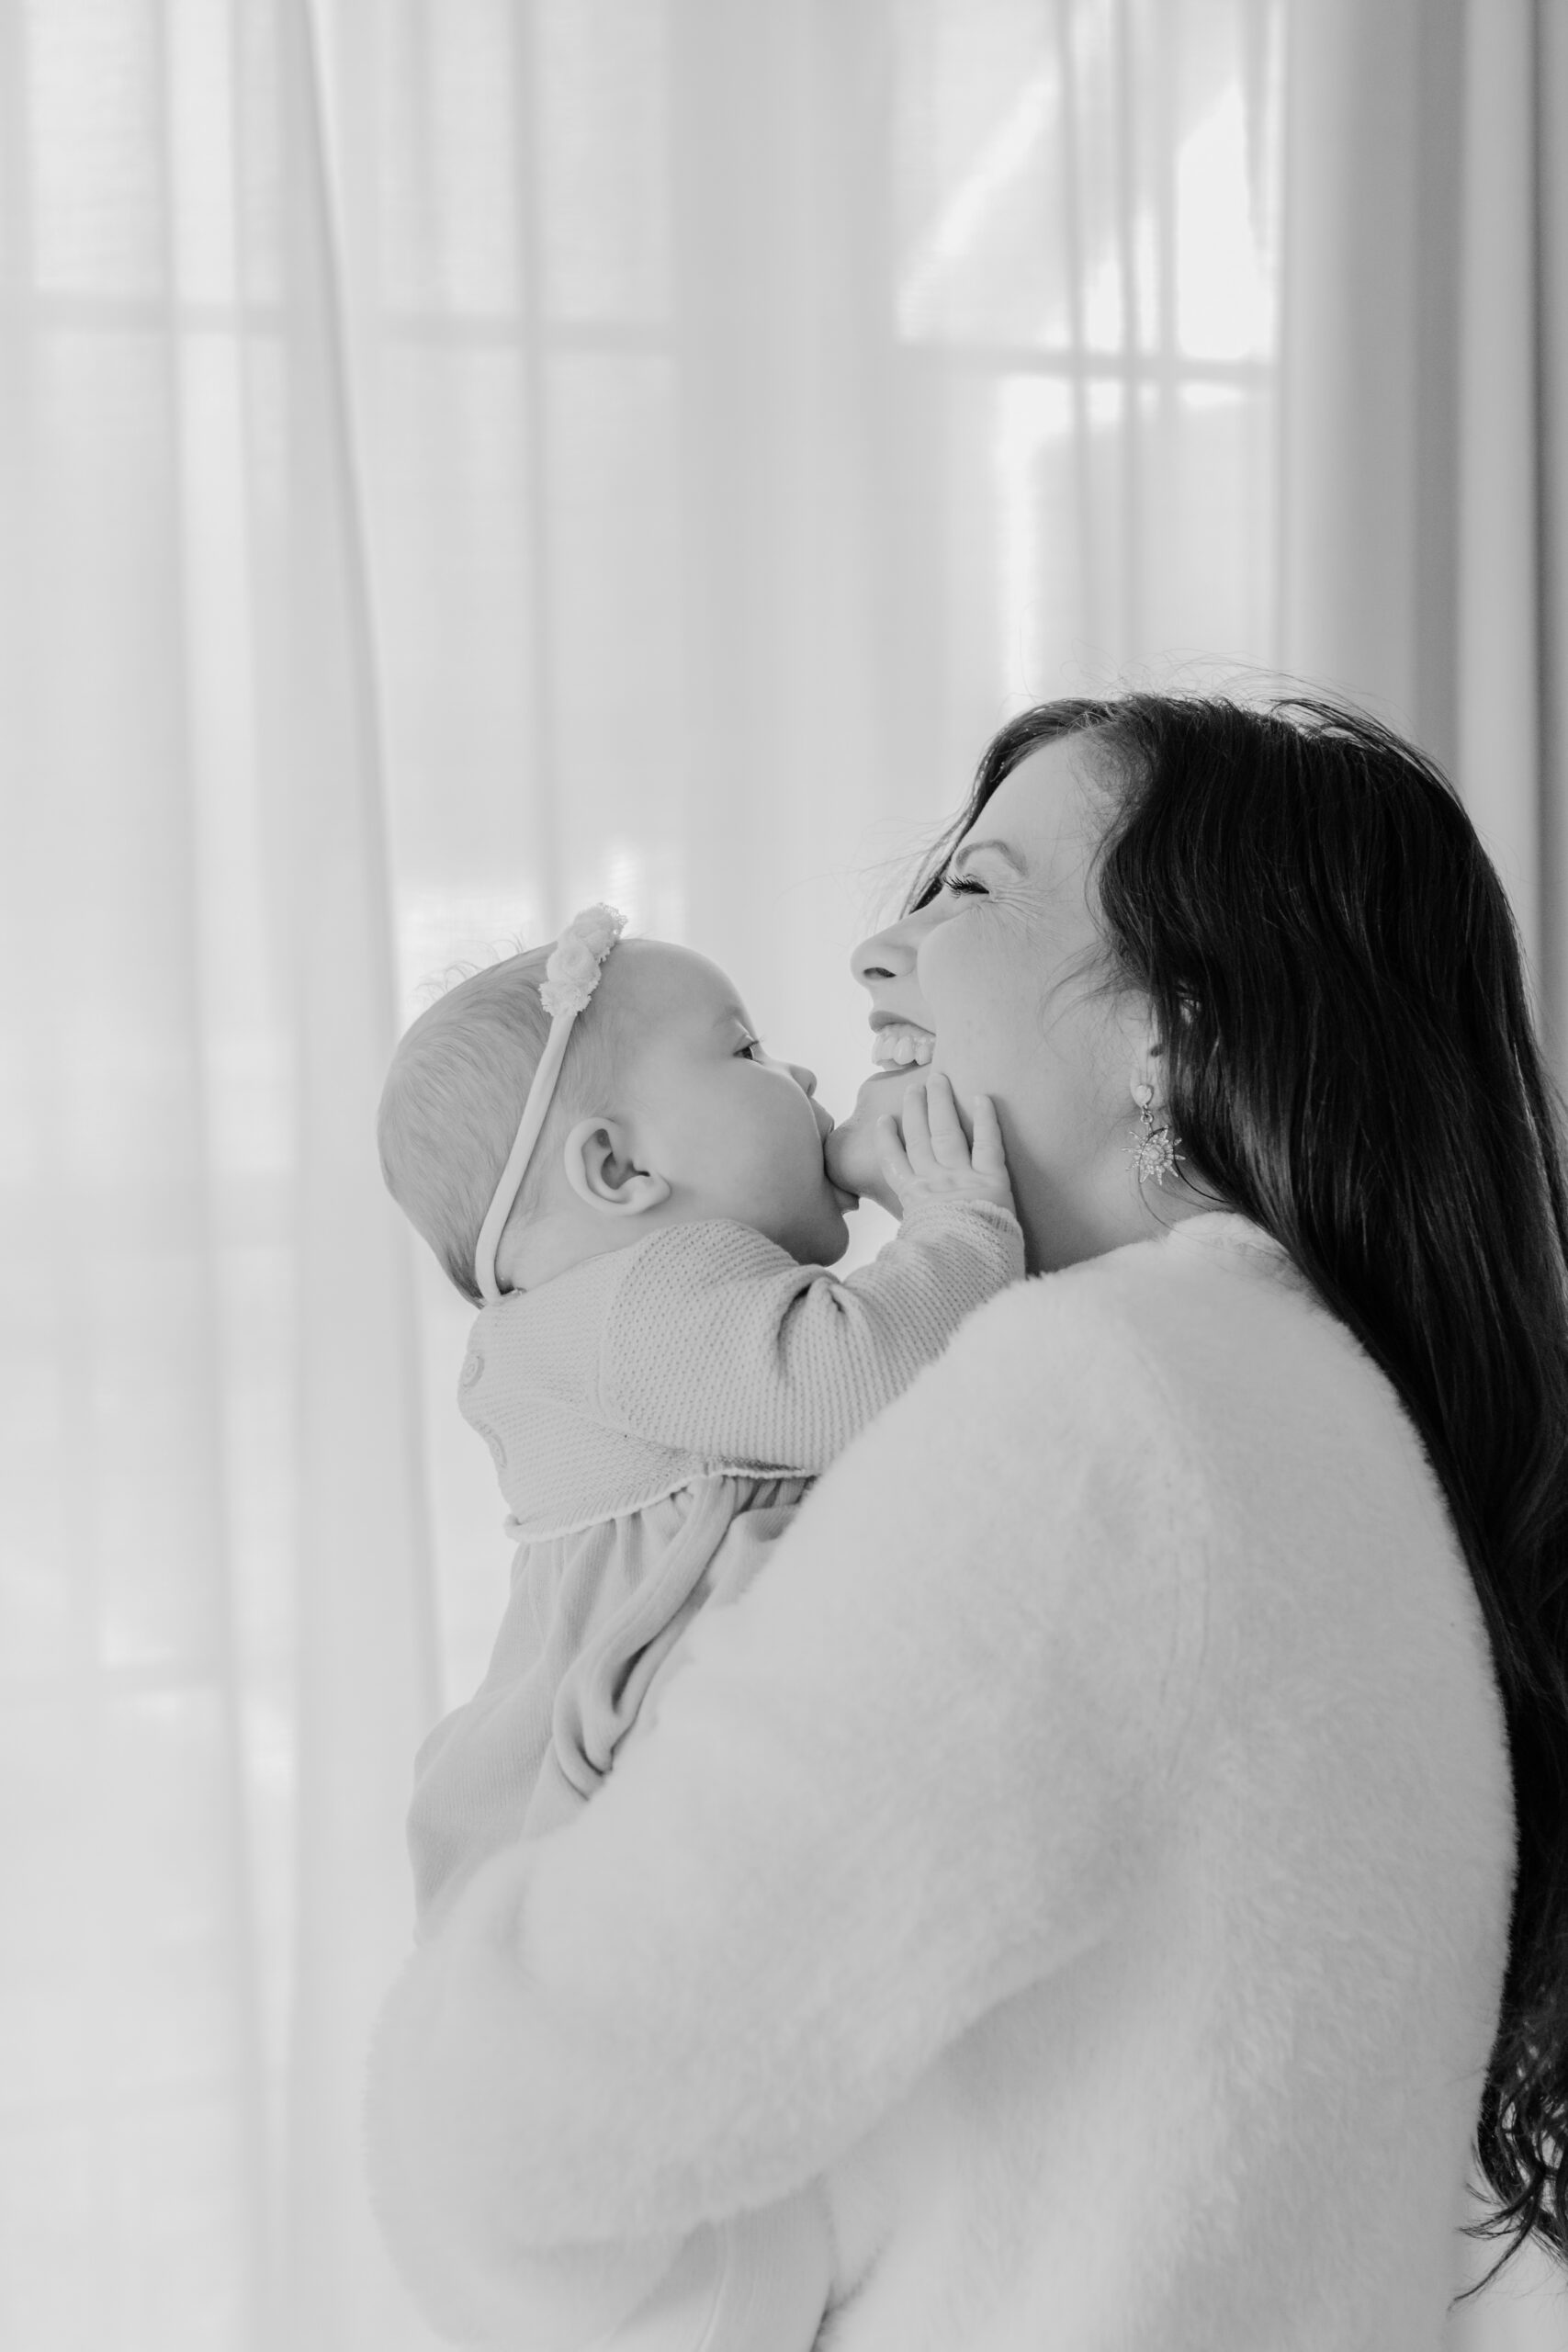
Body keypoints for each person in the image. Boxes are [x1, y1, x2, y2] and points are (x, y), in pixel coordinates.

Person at [367, 693, 1568, 2349]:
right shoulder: (1334, 1427)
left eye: (974, 893)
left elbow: (508, 2138)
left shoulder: (1105, 1409)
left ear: (1179, 1033)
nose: (872, 954)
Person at [372, 910, 1023, 2349]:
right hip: (582, 1842)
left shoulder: (627, 1321)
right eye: (742, 1050)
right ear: (619, 1170)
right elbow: (864, 1377)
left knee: (739, 2239)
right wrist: (966, 1227)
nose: (799, 1070)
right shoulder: (634, 1304)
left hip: (596, 1855)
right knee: (698, 2265)